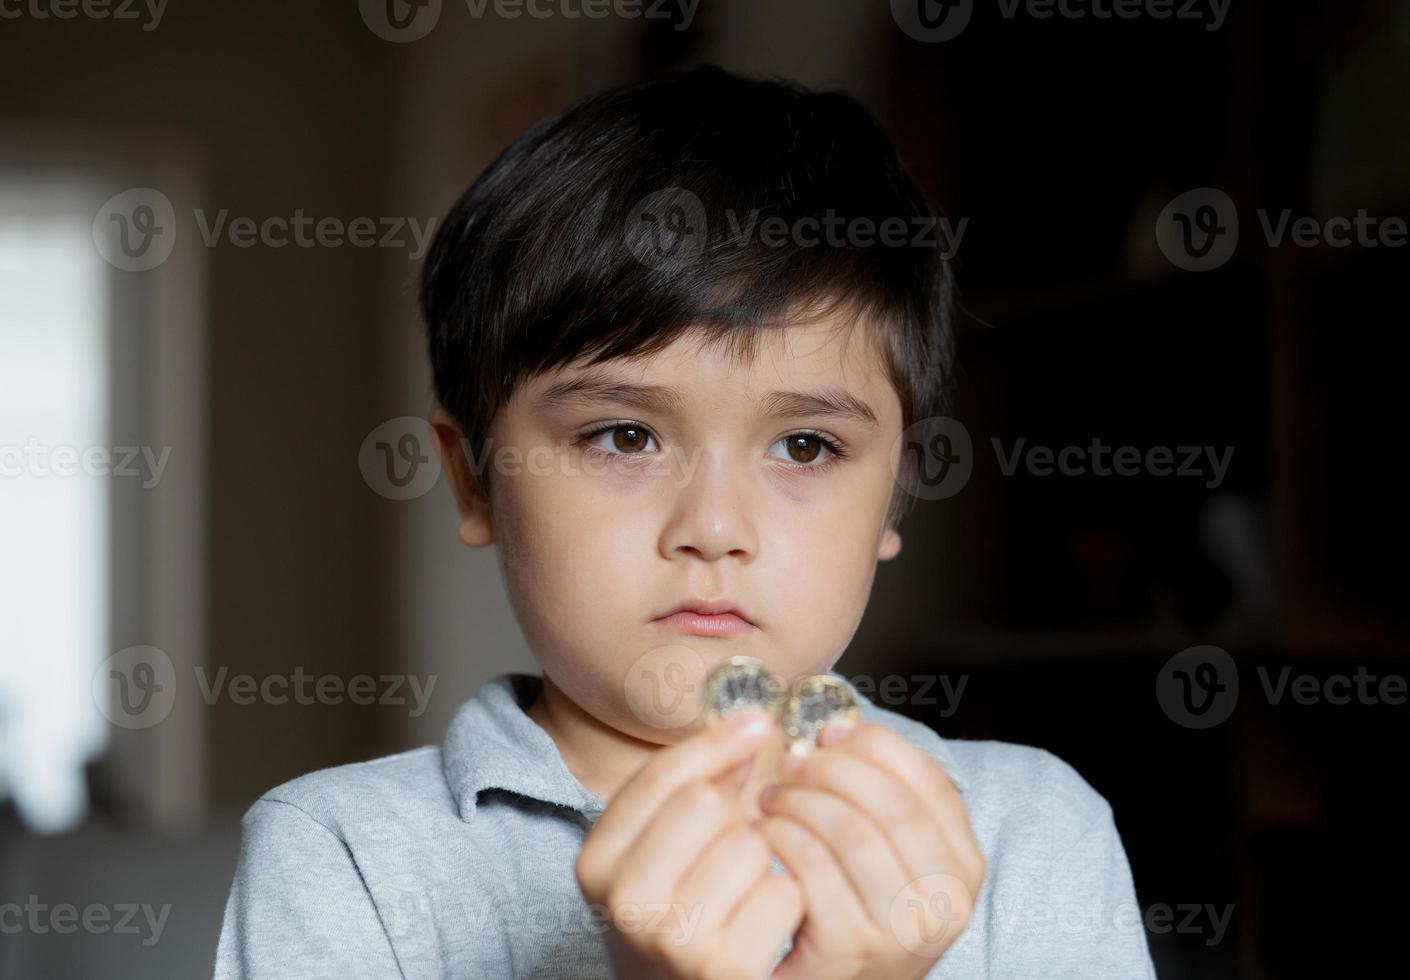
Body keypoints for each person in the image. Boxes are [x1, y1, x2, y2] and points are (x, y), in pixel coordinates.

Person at [215, 65, 1156, 979]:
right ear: (474, 480)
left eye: (804, 448)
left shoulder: (1029, 832)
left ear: (896, 493)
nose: (713, 528)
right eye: (624, 436)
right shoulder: (344, 858)